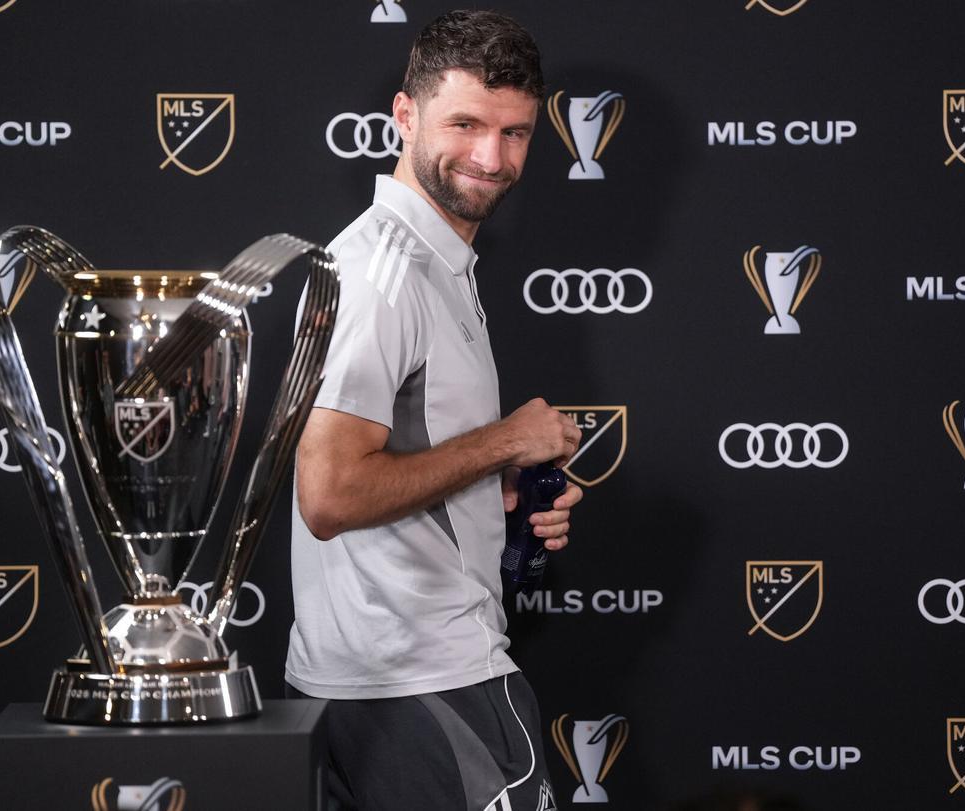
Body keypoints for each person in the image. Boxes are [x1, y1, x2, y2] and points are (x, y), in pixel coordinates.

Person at [285, 10, 583, 811]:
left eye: (515, 133)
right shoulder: (386, 272)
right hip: (427, 681)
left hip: (387, 683)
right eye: (466, 124)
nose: (492, 158)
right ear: (405, 116)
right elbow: (330, 493)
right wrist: (503, 441)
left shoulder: (433, 262)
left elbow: (398, 463)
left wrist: (505, 494)